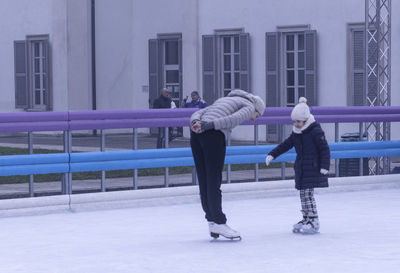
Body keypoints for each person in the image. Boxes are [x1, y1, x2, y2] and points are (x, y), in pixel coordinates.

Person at [190, 89, 265, 240]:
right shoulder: (249, 106)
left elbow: (200, 112)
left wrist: (195, 123)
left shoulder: (224, 99)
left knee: (204, 180)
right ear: (256, 109)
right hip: (212, 135)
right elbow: (232, 119)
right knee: (213, 180)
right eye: (257, 116)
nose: (253, 119)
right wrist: (207, 126)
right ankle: (219, 221)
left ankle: (211, 221)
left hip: (195, 134)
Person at [265, 97, 330, 234]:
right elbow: (285, 145)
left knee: (308, 195)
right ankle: (306, 218)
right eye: (294, 121)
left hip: (312, 168)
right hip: (302, 169)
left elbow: (324, 149)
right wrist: (272, 154)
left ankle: (314, 220)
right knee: (303, 195)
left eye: (298, 121)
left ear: (306, 120)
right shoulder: (296, 132)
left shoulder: (315, 131)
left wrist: (325, 166)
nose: (296, 124)